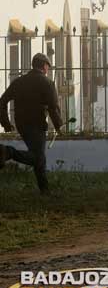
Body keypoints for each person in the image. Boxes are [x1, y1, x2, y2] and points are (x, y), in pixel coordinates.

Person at [0, 53, 63, 195]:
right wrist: (59, 126)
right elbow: (53, 107)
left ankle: (45, 190)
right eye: (48, 66)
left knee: (38, 156)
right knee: (38, 157)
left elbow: (2, 101)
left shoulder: (19, 81)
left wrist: (6, 123)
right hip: (37, 124)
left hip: (21, 123)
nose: (48, 69)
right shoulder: (47, 83)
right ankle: (8, 152)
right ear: (44, 66)